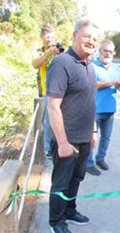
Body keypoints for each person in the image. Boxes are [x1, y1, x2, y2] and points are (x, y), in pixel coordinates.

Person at [46, 19, 99, 233]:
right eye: (87, 36)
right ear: (75, 36)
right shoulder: (61, 63)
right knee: (60, 183)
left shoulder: (90, 66)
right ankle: (56, 221)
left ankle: (70, 210)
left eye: (94, 38)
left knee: (76, 179)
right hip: (67, 141)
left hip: (85, 139)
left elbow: (90, 102)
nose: (91, 41)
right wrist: (63, 142)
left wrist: (94, 132)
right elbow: (53, 105)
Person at [86, 39, 120, 176]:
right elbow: (91, 85)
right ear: (100, 51)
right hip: (95, 109)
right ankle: (88, 163)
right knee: (91, 138)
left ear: (113, 53)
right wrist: (110, 83)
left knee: (106, 137)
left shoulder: (116, 68)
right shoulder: (92, 66)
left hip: (110, 109)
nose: (107, 54)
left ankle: (100, 158)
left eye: (110, 51)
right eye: (105, 51)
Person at [32, 25, 60, 158]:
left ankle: (58, 143)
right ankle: (48, 148)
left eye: (52, 37)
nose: (50, 40)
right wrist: (49, 52)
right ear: (42, 38)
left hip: (60, 91)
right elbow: (35, 64)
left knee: (60, 119)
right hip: (47, 91)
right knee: (48, 122)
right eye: (47, 37)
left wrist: (58, 52)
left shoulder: (58, 50)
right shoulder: (39, 51)